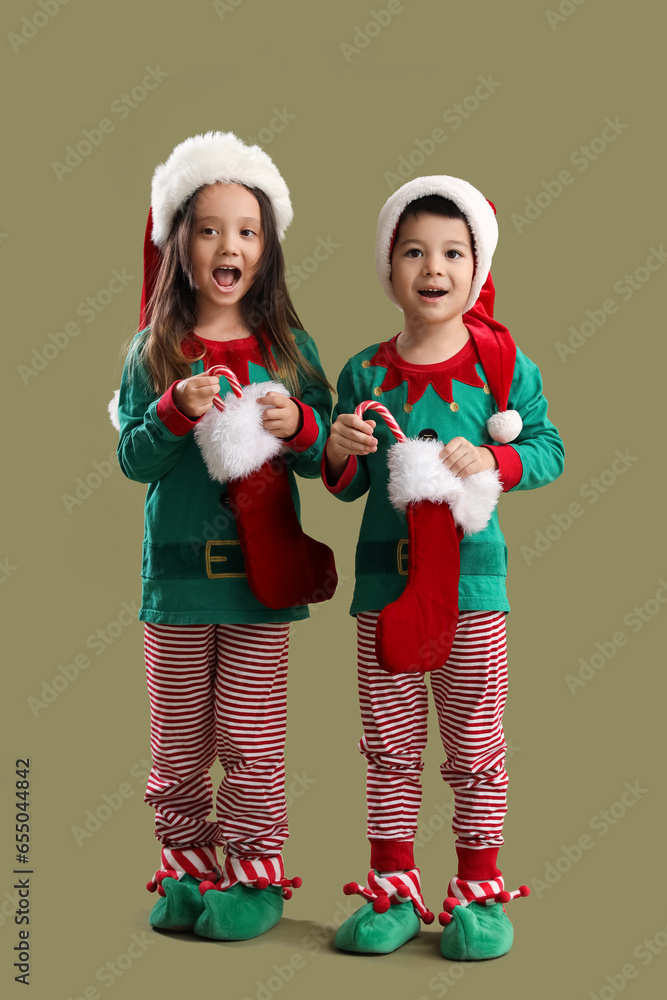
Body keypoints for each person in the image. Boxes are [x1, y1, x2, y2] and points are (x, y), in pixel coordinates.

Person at [322, 175, 564, 960]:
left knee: (475, 744)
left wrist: (494, 456)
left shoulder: (502, 366)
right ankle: (392, 891)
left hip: (473, 592)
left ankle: (477, 893)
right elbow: (349, 482)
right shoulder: (362, 372)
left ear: (476, 266)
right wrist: (336, 450)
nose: (433, 267)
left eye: (452, 252)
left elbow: (548, 449)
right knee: (387, 747)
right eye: (414, 251)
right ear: (389, 268)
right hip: (383, 590)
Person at [113, 131, 333, 941]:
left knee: (249, 740)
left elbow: (327, 459)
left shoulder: (288, 350)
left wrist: (300, 422)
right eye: (208, 229)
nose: (228, 245)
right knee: (176, 742)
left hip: (256, 586)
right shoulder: (154, 351)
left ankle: (252, 878)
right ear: (180, 242)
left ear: (267, 248)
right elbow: (133, 459)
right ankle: (184, 869)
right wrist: (175, 408)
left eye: (246, 229)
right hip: (173, 588)